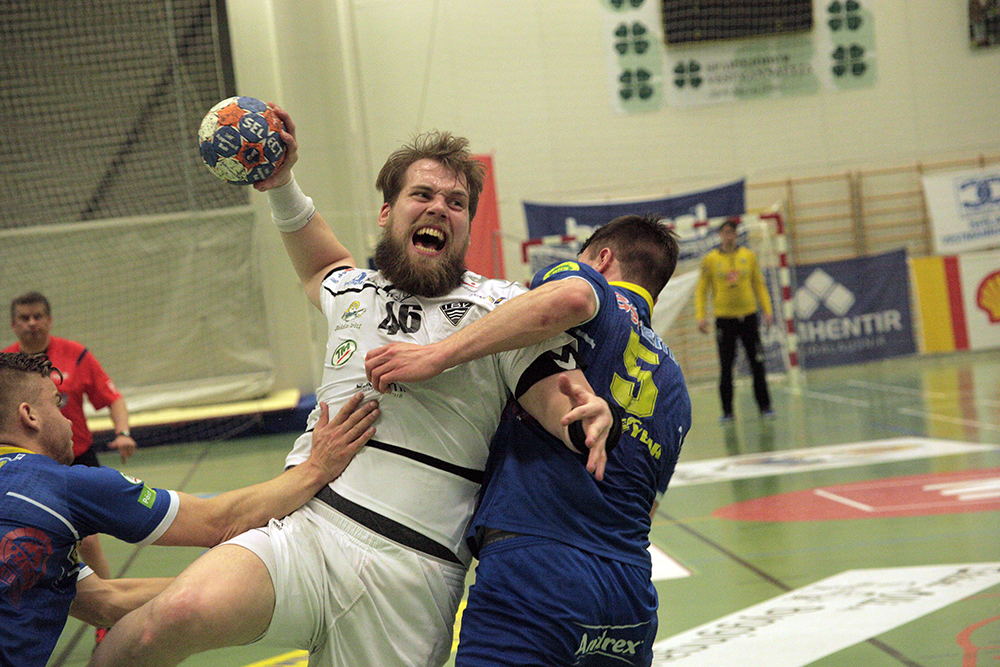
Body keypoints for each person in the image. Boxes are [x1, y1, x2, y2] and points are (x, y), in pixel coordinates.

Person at [89, 105, 613, 667]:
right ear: (387, 213)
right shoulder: (351, 290)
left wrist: (586, 413)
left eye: (456, 202)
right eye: (422, 195)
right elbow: (318, 260)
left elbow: (562, 401)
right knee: (168, 618)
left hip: (412, 573)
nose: (439, 207)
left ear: (466, 226)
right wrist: (281, 182)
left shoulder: (501, 309)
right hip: (307, 530)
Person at [366, 214, 692, 666]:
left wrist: (436, 355)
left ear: (602, 259)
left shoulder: (591, 286)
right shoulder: (677, 391)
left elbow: (570, 297)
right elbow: (648, 509)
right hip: (628, 592)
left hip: (538, 570)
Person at [0, 351, 379, 667]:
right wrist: (316, 467)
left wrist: (233, 591)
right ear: (29, 415)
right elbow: (221, 521)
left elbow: (105, 602)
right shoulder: (61, 485)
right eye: (58, 403)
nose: (68, 417)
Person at [6, 291, 137, 593]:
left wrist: (123, 433)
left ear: (49, 320)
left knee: (87, 538)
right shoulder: (7, 366)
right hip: (28, 464)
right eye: (24, 318)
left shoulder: (76, 354)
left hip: (76, 458)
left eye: (38, 316)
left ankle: (108, 600)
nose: (32, 323)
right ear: (13, 324)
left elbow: (113, 399)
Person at [695, 217, 774, 422]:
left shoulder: (748, 256)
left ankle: (765, 407)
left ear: (736, 235)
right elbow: (702, 290)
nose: (729, 236)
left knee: (757, 363)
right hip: (725, 319)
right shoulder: (711, 260)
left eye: (732, 232)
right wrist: (701, 316)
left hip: (748, 317)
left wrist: (767, 310)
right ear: (720, 235)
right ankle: (727, 411)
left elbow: (759, 285)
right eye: (725, 233)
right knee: (726, 366)